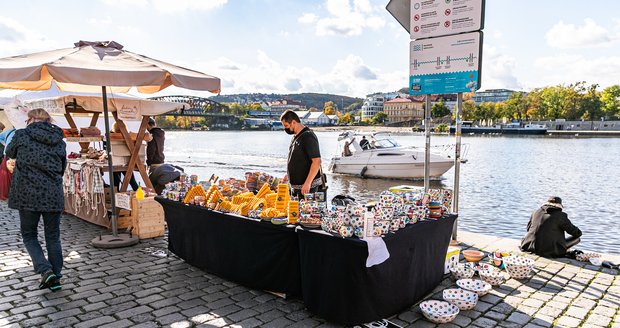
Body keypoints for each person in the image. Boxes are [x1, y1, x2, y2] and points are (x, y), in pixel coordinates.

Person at [6, 109, 66, 291]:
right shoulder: (59, 139)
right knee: (53, 236)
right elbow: (62, 166)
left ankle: (45, 271)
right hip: (52, 193)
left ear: (30, 119)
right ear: (48, 120)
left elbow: (10, 151)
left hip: (27, 193)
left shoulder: (22, 135)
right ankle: (55, 275)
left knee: (29, 234)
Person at [280, 110, 322, 199]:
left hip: (307, 188)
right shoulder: (295, 137)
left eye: (286, 126)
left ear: (294, 122)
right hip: (296, 188)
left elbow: (316, 161)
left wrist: (308, 183)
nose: (285, 129)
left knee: (306, 212)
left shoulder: (308, 136)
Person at [110, 123, 139, 191]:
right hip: (127, 161)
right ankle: (139, 195)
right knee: (132, 181)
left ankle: (116, 197)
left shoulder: (112, 136)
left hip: (115, 161)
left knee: (115, 182)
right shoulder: (129, 136)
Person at [0, 123, 16, 200]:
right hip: (13, 155)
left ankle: (8, 193)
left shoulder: (10, 131)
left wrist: (5, 144)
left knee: (6, 175)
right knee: (9, 175)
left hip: (7, 154)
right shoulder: (22, 132)